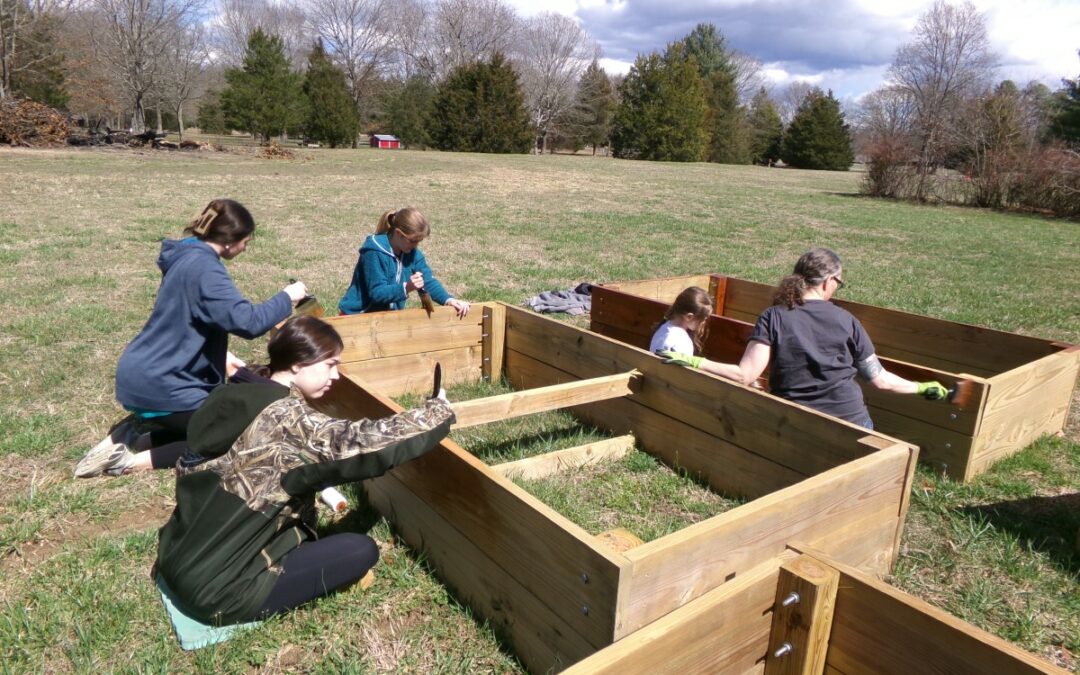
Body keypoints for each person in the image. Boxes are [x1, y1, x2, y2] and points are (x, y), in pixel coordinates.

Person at [154, 316, 455, 625]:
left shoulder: (234, 393)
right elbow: (366, 444)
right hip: (218, 592)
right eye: (330, 364)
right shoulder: (289, 423)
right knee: (360, 550)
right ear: (298, 364)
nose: (336, 376)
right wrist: (437, 412)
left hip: (174, 553)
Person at [74, 199, 309, 478]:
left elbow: (191, 317)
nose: (246, 247)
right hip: (162, 384)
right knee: (234, 433)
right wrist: (287, 297)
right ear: (231, 238)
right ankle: (124, 462)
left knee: (216, 420)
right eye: (246, 240)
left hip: (144, 373)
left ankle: (134, 439)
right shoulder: (204, 268)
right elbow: (247, 322)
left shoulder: (187, 256)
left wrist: (217, 354)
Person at [660, 248, 948, 428]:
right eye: (839, 282)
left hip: (795, 424)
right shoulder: (847, 321)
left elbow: (744, 375)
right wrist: (923, 388)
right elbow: (881, 380)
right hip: (852, 422)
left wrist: (694, 362)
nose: (837, 288)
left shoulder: (774, 316)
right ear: (827, 282)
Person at [338, 208, 470, 318]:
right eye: (413, 241)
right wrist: (406, 288)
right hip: (357, 316)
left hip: (387, 318)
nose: (416, 246)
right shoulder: (374, 252)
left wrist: (449, 300)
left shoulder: (412, 254)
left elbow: (428, 281)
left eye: (419, 241)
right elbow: (377, 293)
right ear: (398, 234)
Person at [649, 286, 712, 355]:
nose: (703, 323)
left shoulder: (663, 327)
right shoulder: (682, 342)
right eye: (703, 319)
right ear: (689, 317)